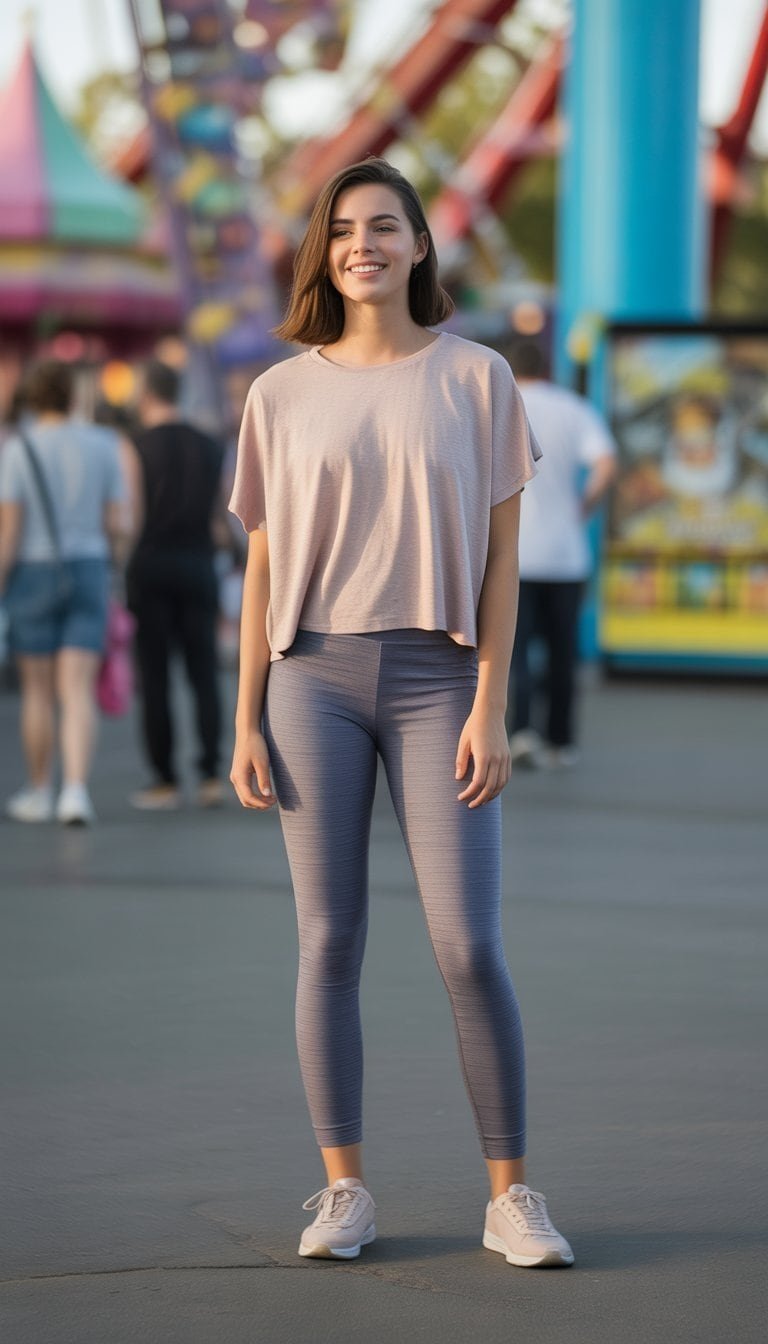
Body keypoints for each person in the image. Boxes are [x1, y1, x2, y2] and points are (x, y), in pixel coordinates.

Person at [229, 158, 574, 1269]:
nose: (361, 245)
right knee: (328, 939)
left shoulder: (478, 379)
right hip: (309, 680)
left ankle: (511, 1197)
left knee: (469, 944)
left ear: (421, 245)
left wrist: (492, 702)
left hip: (442, 680)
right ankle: (344, 1194)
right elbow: (262, 568)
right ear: (322, 254)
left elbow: (505, 564)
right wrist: (243, 717)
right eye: (342, 231)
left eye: (384, 227)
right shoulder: (278, 394)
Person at [0, 359, 127, 824]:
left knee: (37, 692)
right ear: (72, 396)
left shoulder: (18, 450)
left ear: (31, 399)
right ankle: (76, 791)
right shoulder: (103, 445)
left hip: (32, 571)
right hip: (89, 568)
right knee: (77, 690)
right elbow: (117, 522)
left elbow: (8, 532)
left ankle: (38, 790)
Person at [505, 340, 616, 768]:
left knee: (513, 652)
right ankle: (561, 740)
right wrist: (583, 507)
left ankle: (520, 733)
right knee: (562, 651)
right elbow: (606, 463)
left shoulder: (501, 406)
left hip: (513, 555)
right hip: (567, 555)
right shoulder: (574, 408)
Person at [125, 359, 226, 810]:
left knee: (156, 675)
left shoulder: (133, 446)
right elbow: (223, 517)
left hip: (150, 565)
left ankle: (164, 780)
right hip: (199, 563)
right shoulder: (210, 444)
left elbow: (132, 516)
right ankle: (209, 776)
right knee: (204, 673)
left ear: (147, 394)